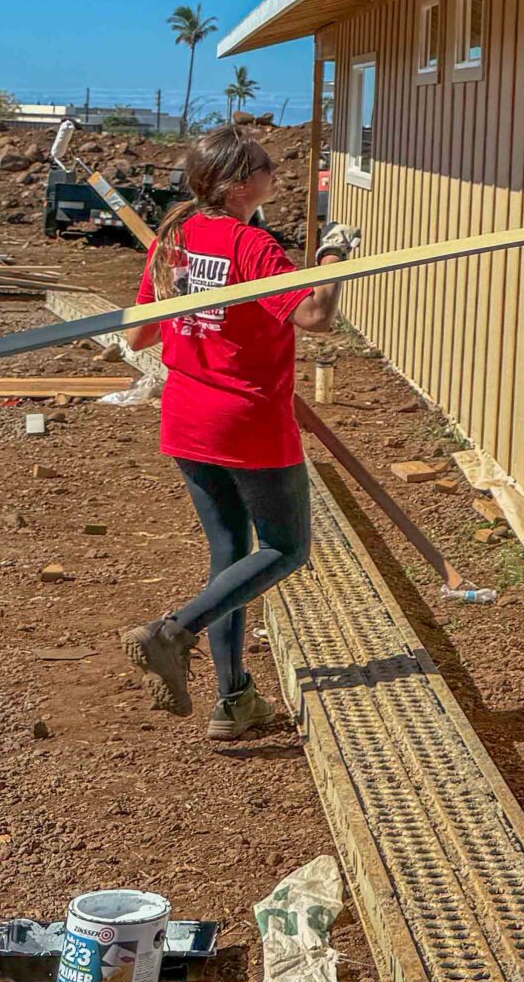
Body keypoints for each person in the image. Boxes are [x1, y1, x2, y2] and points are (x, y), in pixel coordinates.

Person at [119, 127, 354, 737]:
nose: (275, 176)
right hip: (248, 425)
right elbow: (317, 317)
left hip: (187, 419)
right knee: (286, 548)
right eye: (267, 169)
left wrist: (196, 316)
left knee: (230, 558)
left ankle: (234, 700)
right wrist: (332, 259)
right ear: (241, 182)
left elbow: (139, 334)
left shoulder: (174, 239)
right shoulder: (252, 246)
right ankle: (171, 633)